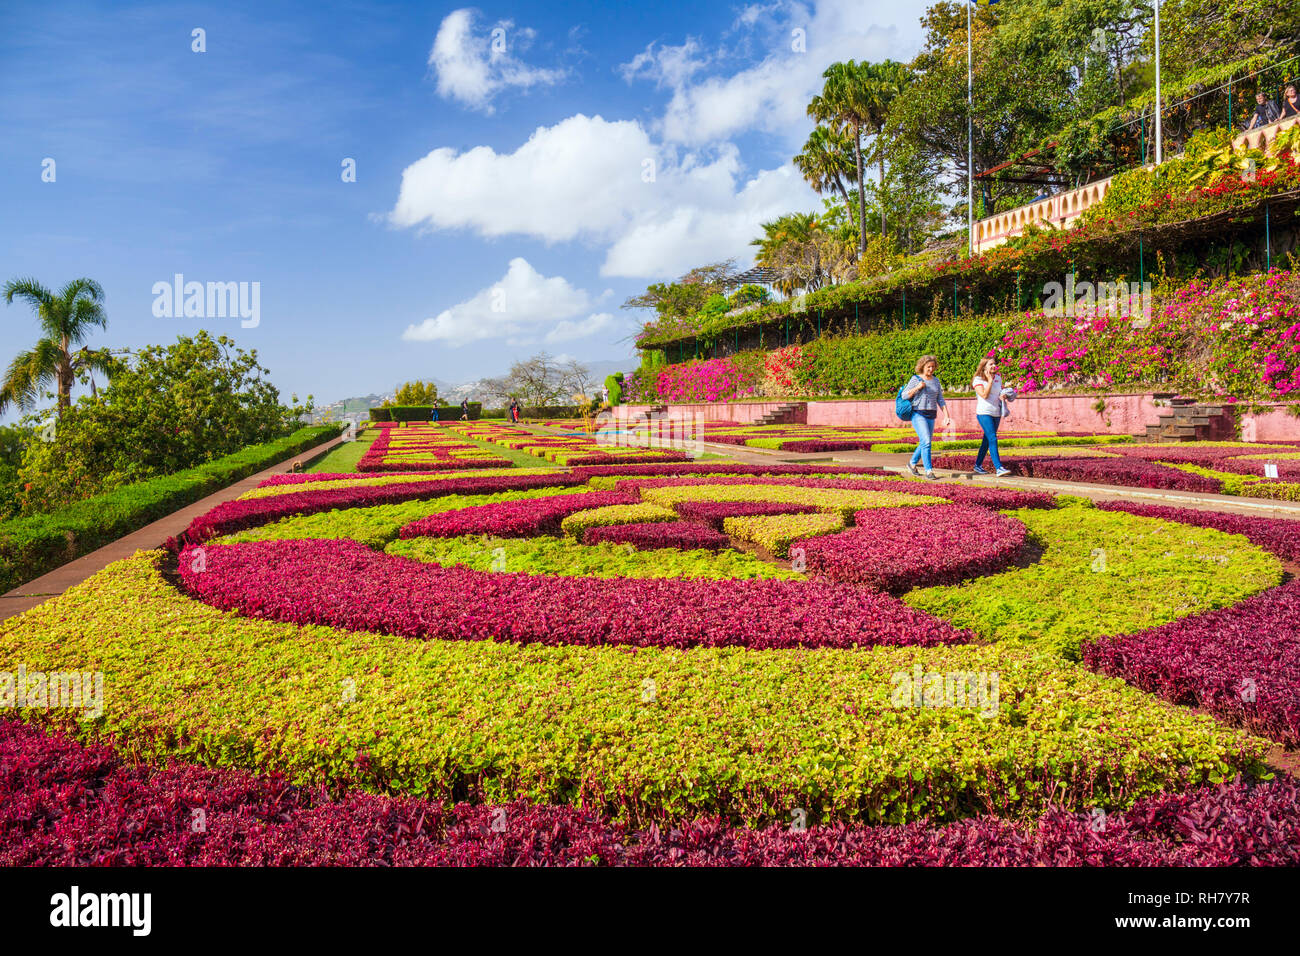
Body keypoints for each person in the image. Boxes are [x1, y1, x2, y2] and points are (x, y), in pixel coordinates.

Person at [902, 355, 950, 481]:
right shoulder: (915, 378)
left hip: (931, 414)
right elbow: (904, 395)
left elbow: (940, 399)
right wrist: (917, 387)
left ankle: (911, 464)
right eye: (928, 367)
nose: (931, 369)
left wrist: (946, 415)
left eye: (933, 367)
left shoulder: (936, 381)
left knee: (925, 441)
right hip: (918, 413)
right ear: (922, 366)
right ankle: (929, 470)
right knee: (927, 442)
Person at [971, 357, 1014, 477]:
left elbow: (997, 393)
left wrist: (1004, 395)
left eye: (995, 364)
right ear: (984, 366)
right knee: (993, 438)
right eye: (991, 364)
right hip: (984, 413)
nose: (994, 366)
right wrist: (989, 381)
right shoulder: (978, 380)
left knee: (987, 440)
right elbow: (984, 395)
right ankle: (999, 468)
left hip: (996, 413)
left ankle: (978, 465)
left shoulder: (998, 378)